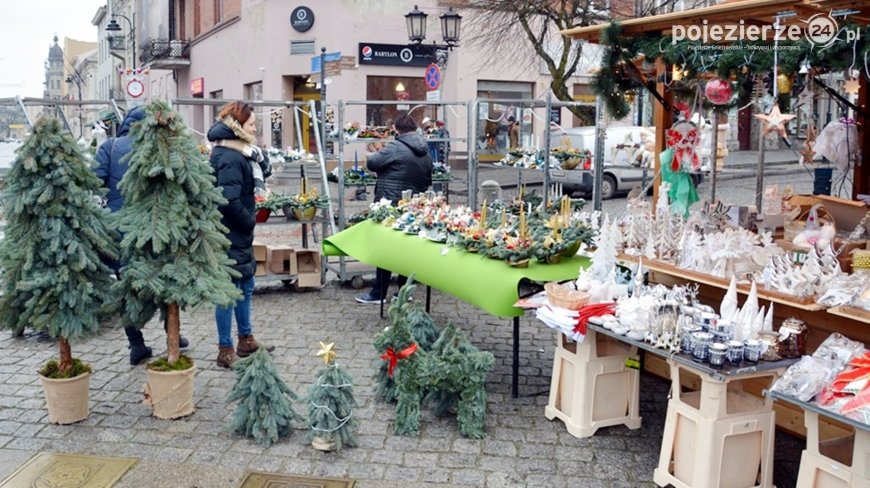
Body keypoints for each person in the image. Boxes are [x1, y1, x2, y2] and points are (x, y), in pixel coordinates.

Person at [94, 106, 189, 365]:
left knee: (127, 285)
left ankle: (136, 345)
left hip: (119, 230)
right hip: (153, 226)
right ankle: (173, 334)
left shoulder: (110, 147)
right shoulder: (161, 147)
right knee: (161, 280)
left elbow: (95, 181)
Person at [207, 101, 275, 368]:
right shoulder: (231, 157)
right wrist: (249, 222)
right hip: (229, 234)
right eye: (251, 125)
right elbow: (228, 200)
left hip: (237, 235)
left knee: (245, 287)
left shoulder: (240, 152)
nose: (255, 129)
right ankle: (225, 350)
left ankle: (246, 339)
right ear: (237, 127)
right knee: (228, 292)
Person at [356, 113, 433, 304]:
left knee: (385, 249)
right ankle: (403, 291)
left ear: (396, 130)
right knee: (406, 250)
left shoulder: (396, 146)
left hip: (389, 204)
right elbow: (427, 180)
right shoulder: (424, 149)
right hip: (412, 205)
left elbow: (372, 163)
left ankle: (378, 293)